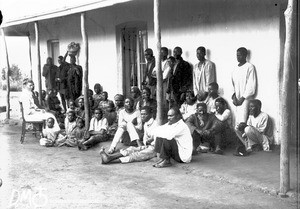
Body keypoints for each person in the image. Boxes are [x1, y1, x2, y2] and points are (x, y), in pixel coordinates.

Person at [231, 47, 257, 125]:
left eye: (240, 55)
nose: (238, 57)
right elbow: (232, 84)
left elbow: (251, 85)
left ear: (245, 55)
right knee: (236, 123)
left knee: (243, 122)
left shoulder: (250, 67)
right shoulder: (235, 68)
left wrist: (242, 98)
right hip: (236, 100)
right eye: (237, 55)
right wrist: (234, 97)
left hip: (245, 99)